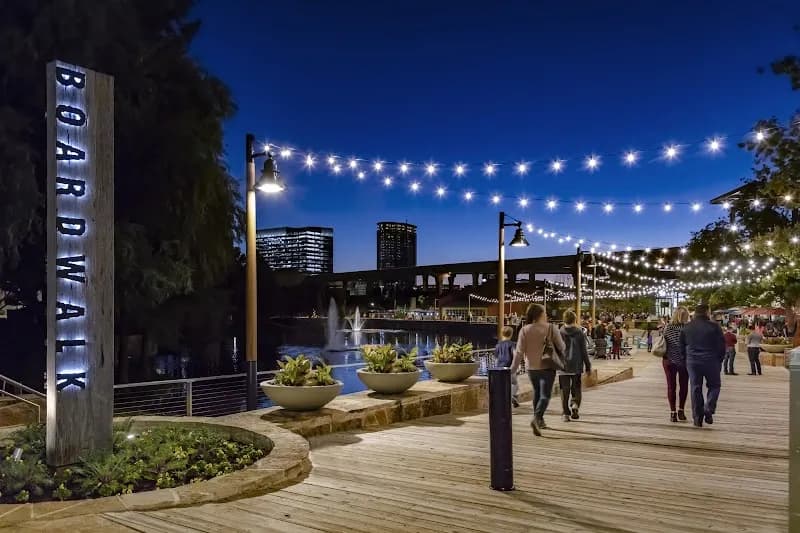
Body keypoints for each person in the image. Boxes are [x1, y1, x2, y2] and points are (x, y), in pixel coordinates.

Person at [510, 303, 565, 436]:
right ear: (540, 314)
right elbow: (562, 347)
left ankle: (540, 421)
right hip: (547, 366)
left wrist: (513, 369)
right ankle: (536, 419)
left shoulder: (524, 330)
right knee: (545, 395)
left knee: (537, 393)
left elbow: (518, 352)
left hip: (531, 368)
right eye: (545, 313)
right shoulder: (551, 328)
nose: (546, 315)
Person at [680, 304, 726, 428]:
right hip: (711, 360)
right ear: (707, 312)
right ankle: (708, 408)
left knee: (695, 388)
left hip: (693, 361)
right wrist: (719, 360)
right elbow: (722, 346)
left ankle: (697, 418)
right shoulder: (715, 327)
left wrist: (686, 360)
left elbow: (682, 347)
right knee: (715, 385)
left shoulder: (687, 327)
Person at [558, 310, 592, 422]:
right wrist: (588, 366)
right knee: (576, 387)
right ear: (575, 320)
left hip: (563, 365)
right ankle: (575, 403)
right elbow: (584, 351)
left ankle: (565, 414)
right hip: (576, 365)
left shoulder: (559, 332)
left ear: (564, 320)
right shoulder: (579, 333)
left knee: (564, 390)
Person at [663, 307, 690, 423]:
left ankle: (672, 413)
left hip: (669, 360)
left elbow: (664, 342)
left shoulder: (668, 328)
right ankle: (681, 410)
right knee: (683, 386)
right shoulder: (688, 329)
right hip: (684, 361)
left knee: (671, 387)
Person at [495, 326, 519, 408]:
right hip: (509, 367)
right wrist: (516, 366)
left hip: (500, 367)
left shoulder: (498, 345)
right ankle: (511, 396)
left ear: (502, 334)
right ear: (511, 334)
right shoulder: (512, 344)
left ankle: (503, 400)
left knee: (502, 385)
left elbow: (496, 357)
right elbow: (515, 355)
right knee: (514, 383)